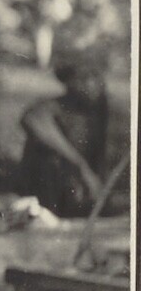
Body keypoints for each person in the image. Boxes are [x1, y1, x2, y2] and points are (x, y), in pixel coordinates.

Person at [17, 39, 115, 217]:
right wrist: (82, 168)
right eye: (84, 78)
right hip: (49, 197)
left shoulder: (100, 111)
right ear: (69, 83)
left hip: (83, 193)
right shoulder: (55, 107)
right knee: (50, 159)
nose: (93, 84)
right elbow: (32, 119)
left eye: (97, 77)